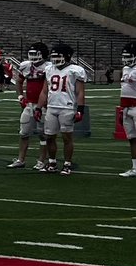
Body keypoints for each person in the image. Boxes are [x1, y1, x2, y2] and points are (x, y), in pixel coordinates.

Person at [39, 41, 87, 175]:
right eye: (53, 56)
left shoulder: (75, 70)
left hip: (67, 107)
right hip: (51, 107)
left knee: (67, 137)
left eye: (58, 56)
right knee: (49, 137)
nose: (55, 59)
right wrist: (38, 107)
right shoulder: (49, 69)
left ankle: (67, 164)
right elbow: (44, 91)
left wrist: (80, 109)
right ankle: (52, 162)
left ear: (67, 56)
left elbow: (80, 92)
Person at [7, 42, 50, 170]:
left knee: (43, 134)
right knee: (24, 133)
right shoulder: (25, 66)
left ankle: (41, 161)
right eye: (30, 53)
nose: (32, 56)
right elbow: (19, 81)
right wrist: (20, 97)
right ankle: (21, 159)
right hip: (29, 104)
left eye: (35, 53)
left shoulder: (49, 67)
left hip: (44, 105)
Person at [119, 42, 136, 177]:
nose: (126, 59)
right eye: (124, 56)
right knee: (132, 138)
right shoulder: (126, 69)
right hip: (126, 107)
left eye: (128, 56)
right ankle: (135, 167)